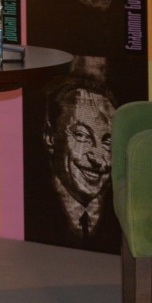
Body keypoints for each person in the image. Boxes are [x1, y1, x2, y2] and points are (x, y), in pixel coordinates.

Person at [37, 77, 120, 251]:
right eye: (82, 136)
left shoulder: (124, 213)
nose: (98, 158)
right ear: (50, 137)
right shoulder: (31, 207)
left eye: (107, 142)